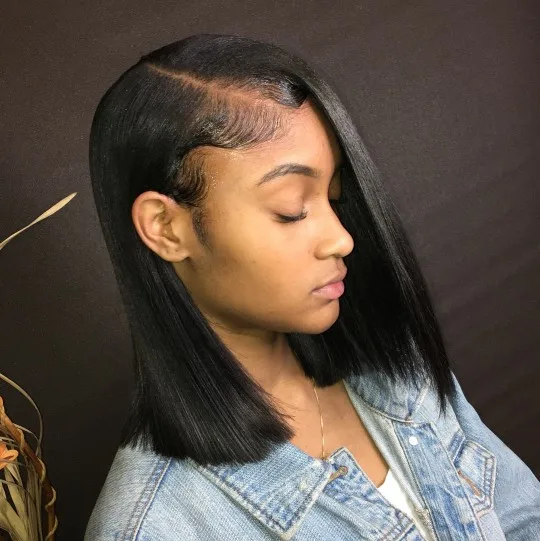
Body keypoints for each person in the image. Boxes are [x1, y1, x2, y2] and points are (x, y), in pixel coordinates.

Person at [84, 33, 540, 540]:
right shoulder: (158, 526)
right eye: (291, 210)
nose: (342, 239)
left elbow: (523, 518)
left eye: (334, 195)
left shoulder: (396, 368)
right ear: (167, 228)